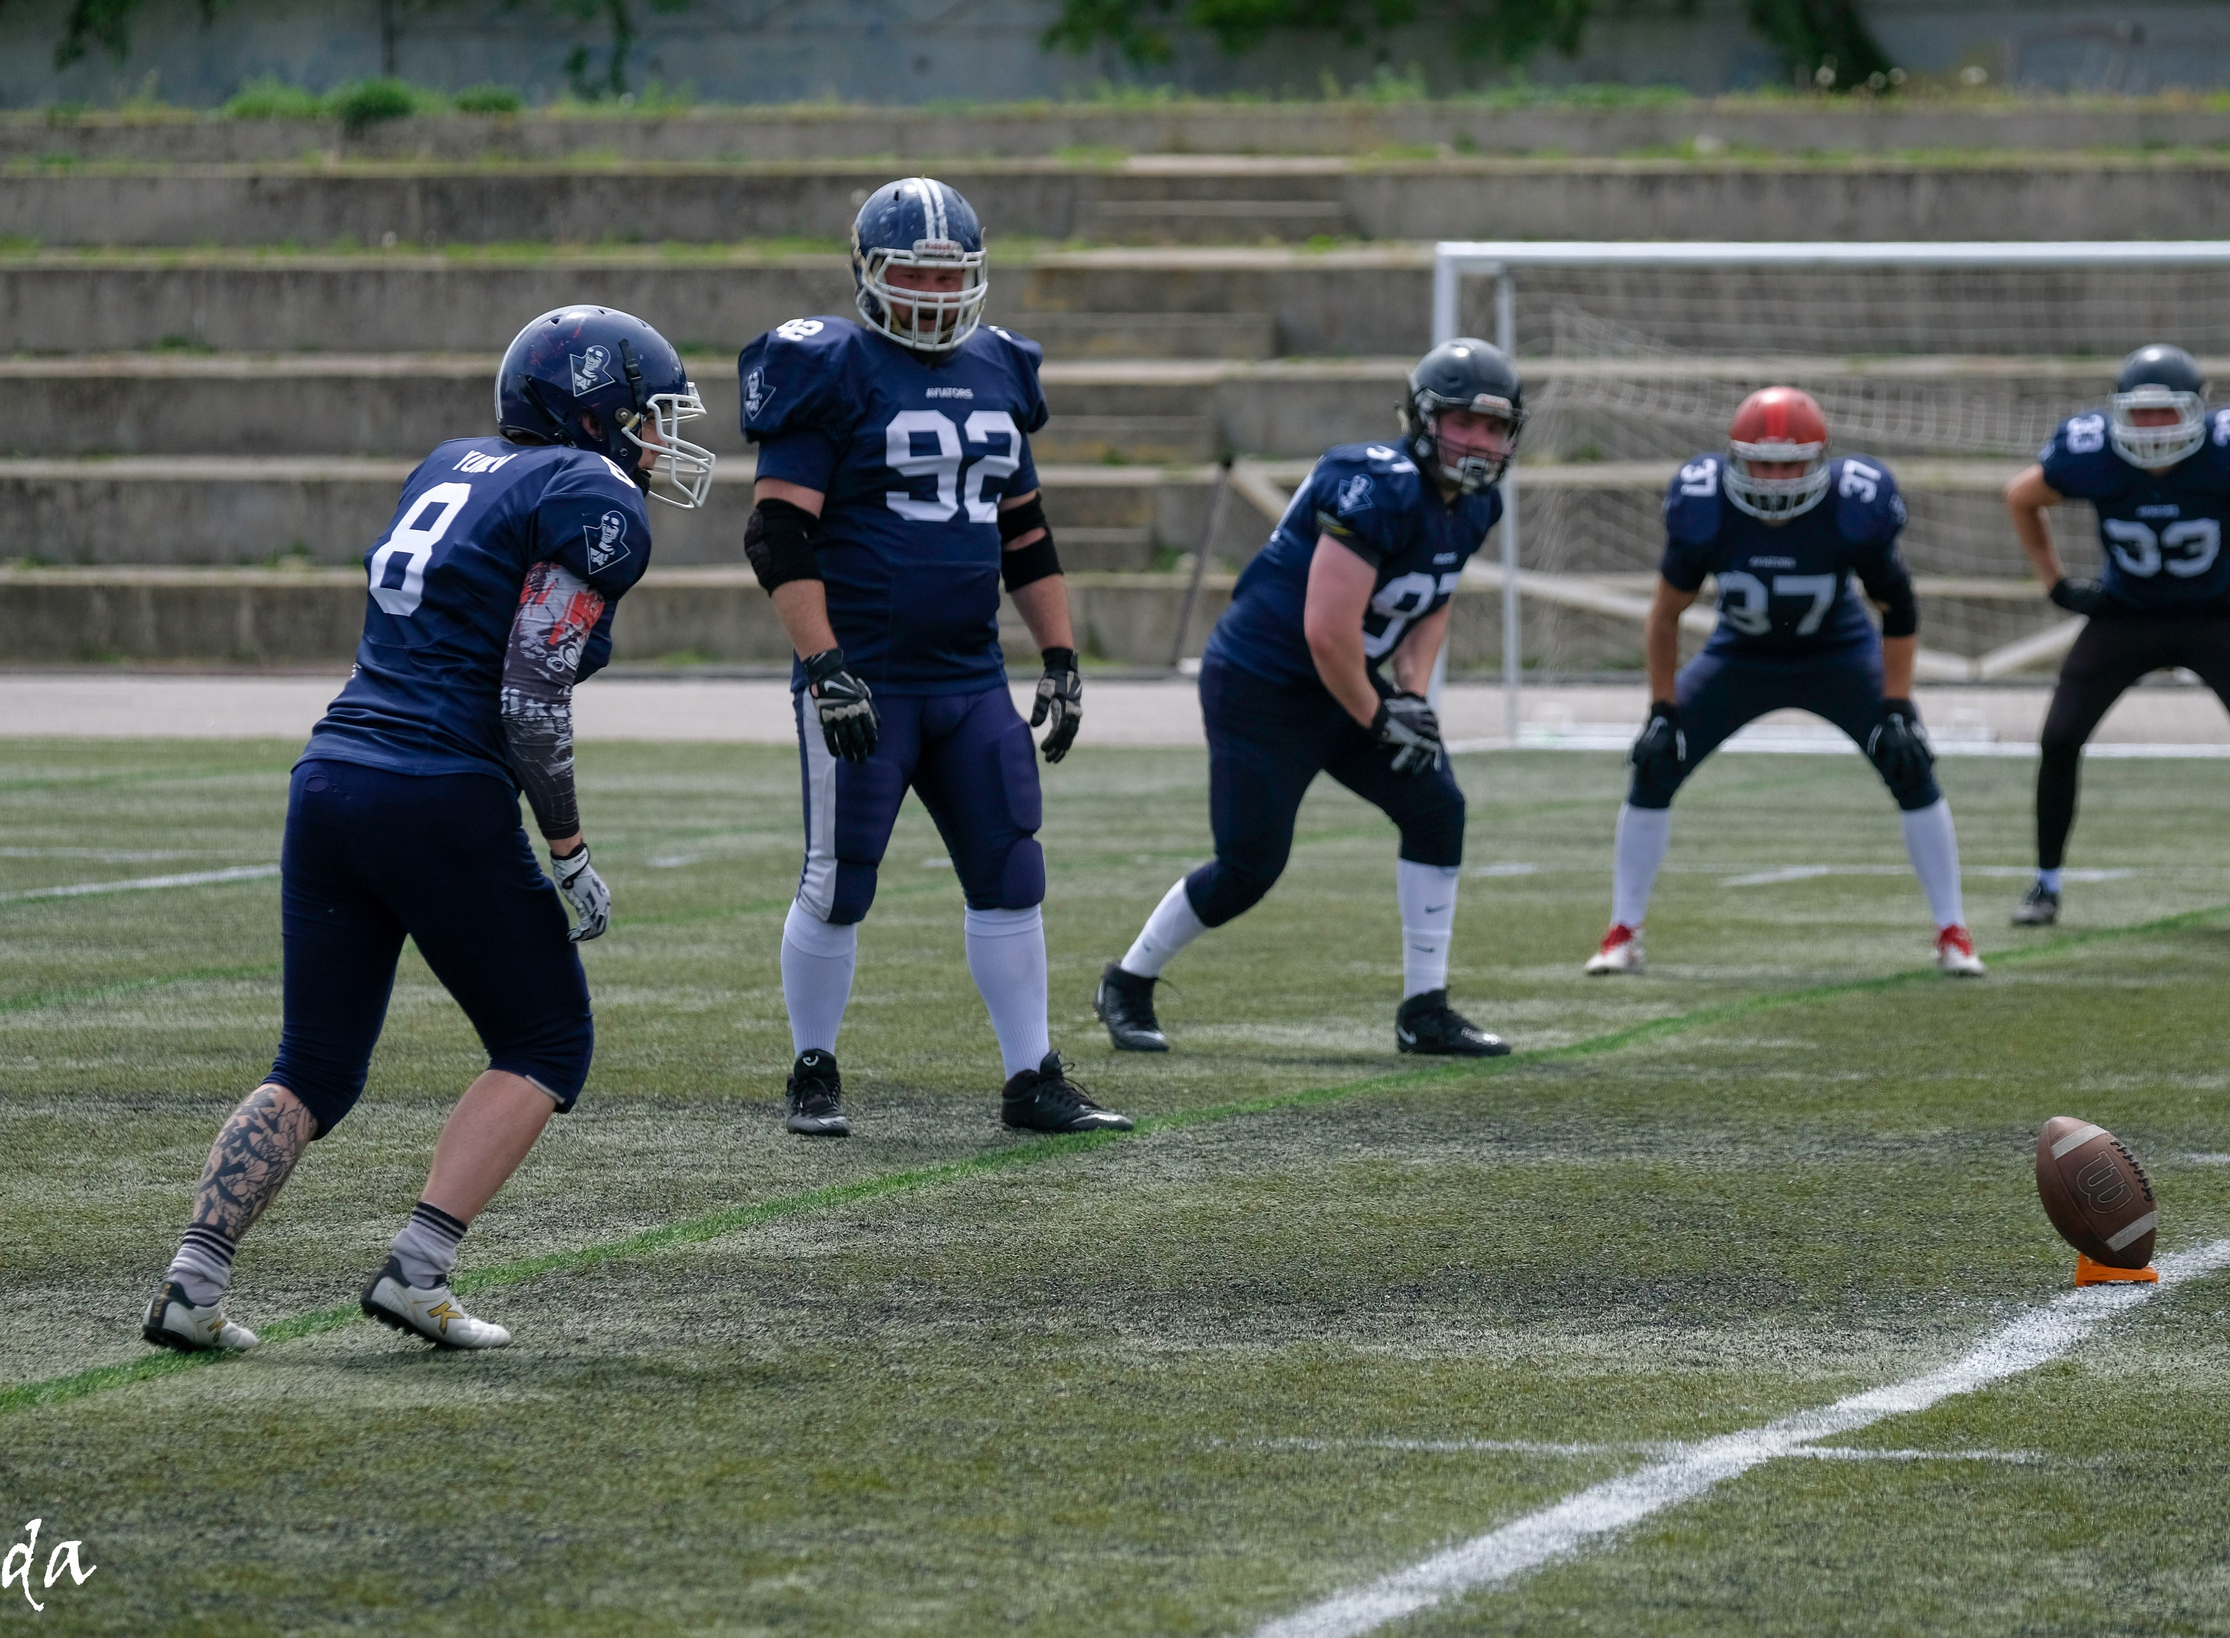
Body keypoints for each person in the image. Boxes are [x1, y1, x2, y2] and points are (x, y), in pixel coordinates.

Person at [143, 305, 712, 1355]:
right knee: (546, 1039)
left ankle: (192, 1280)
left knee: (311, 1064)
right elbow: (532, 692)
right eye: (648, 416)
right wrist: (570, 849)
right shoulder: (589, 490)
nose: (659, 440)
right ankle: (417, 1271)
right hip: (437, 786)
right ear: (593, 412)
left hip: (331, 775)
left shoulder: (451, 464)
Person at [739, 176, 1128, 1139]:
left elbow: (1026, 530)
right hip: (866, 673)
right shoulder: (827, 365)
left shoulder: (1002, 365)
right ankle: (813, 1067)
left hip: (969, 676)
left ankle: (1031, 1077)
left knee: (1011, 865)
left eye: (947, 273)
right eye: (910, 270)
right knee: (842, 877)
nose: (929, 291)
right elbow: (777, 535)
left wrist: (1061, 653)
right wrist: (825, 665)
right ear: (867, 272)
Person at [1092, 339, 1521, 1058]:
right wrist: (1381, 714)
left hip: (1349, 681)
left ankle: (1425, 1007)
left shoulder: (1479, 503)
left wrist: (1412, 693)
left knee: (1437, 808)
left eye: (1494, 427)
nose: (1479, 442)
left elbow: (1433, 600)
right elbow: (1325, 629)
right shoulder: (1374, 482)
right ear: (1423, 419)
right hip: (1265, 685)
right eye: (1463, 423)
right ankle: (1127, 980)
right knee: (1250, 865)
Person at [1584, 386, 1986, 979]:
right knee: (1655, 762)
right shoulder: (1706, 504)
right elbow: (1665, 614)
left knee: (1909, 761)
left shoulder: (1855, 504)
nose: (1774, 478)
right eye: (1762, 463)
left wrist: (1898, 704)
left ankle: (1953, 929)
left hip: (1837, 652)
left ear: (1820, 459)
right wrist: (1662, 709)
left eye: (1789, 463)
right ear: (1735, 459)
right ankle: (1623, 930)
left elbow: (1898, 609)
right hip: (1740, 654)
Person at [2003, 343, 2230, 930]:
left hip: (2214, 613)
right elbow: (2021, 496)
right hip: (2126, 613)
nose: (2153, 428)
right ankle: (2045, 884)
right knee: (2059, 738)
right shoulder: (2091, 452)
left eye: (2166, 413)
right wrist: (2055, 583)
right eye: (2141, 414)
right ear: (2118, 413)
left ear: (2198, 412)